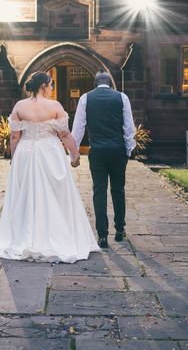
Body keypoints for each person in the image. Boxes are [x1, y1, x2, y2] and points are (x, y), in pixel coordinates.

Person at [0, 71, 100, 263]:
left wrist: (14, 157)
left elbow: (14, 136)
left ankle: (24, 236)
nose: (52, 87)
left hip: (25, 153)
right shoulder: (54, 106)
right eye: (51, 84)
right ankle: (55, 235)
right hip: (49, 153)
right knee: (55, 193)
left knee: (25, 194)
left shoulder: (20, 106)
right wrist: (75, 154)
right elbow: (64, 134)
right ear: (44, 85)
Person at [72, 71, 136, 248]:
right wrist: (129, 149)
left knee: (99, 191)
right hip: (117, 150)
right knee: (118, 190)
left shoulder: (86, 98)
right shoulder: (122, 97)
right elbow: (129, 127)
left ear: (95, 83)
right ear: (110, 83)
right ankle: (120, 229)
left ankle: (102, 235)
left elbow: (78, 127)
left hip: (98, 150)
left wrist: (73, 153)